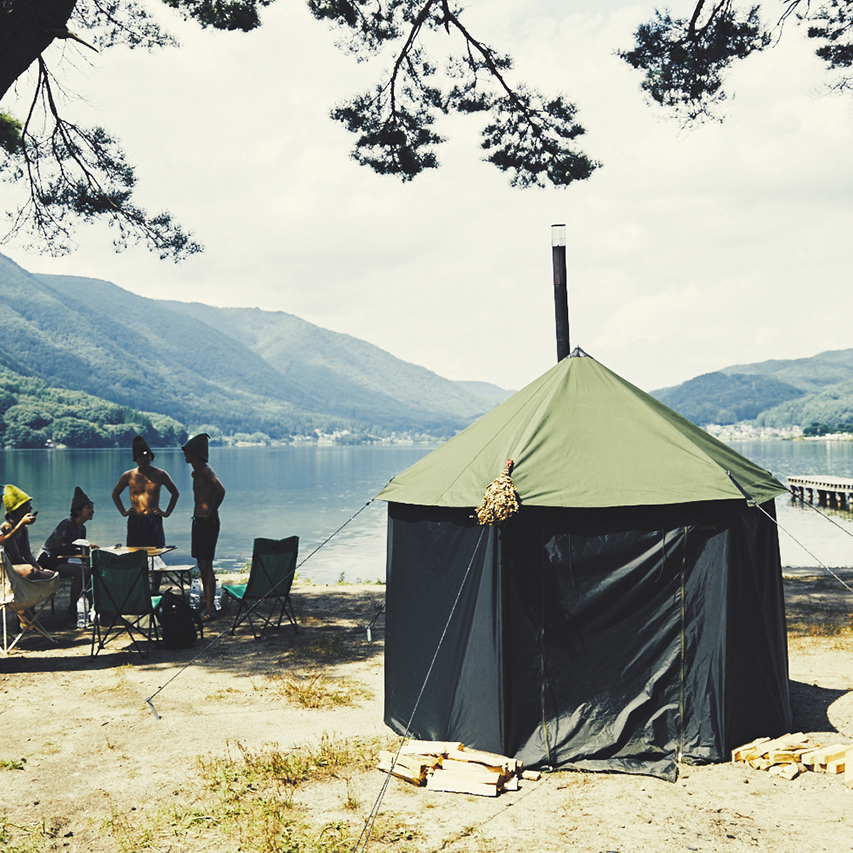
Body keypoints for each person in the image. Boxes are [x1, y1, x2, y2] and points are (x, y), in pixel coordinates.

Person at [181, 433, 225, 621]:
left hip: (207, 522)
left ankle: (209, 608)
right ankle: (206, 604)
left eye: (187, 452)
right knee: (201, 563)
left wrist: (212, 510)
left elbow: (221, 490)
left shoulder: (206, 470)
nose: (185, 455)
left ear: (196, 454)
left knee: (206, 564)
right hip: (198, 521)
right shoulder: (196, 472)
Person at [111, 435, 179, 547]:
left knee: (155, 554)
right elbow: (115, 494)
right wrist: (123, 512)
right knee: (135, 554)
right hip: (135, 520)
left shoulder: (160, 474)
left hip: (153, 519)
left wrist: (167, 512)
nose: (143, 460)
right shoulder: (128, 476)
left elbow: (175, 493)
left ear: (151, 457)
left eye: (146, 456)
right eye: (139, 457)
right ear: (135, 459)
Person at [37, 486, 95, 616]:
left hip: (60, 561)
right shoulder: (67, 523)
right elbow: (59, 547)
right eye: (88, 508)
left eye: (92, 508)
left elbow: (77, 549)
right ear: (79, 511)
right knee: (81, 570)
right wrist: (82, 547)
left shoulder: (82, 528)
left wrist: (88, 551)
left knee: (92, 568)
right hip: (49, 560)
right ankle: (73, 607)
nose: (92, 511)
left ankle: (91, 605)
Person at [1, 485, 59, 581]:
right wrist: (38, 571)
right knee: (33, 571)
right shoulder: (7, 527)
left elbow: (27, 554)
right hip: (10, 567)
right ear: (18, 509)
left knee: (52, 575)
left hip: (21, 566)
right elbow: (17, 558)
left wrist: (41, 569)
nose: (31, 508)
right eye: (28, 505)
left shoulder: (24, 528)